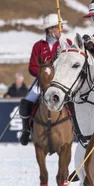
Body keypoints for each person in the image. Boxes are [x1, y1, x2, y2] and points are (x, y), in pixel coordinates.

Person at [18, 13, 66, 145]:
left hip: (61, 82)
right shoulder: (38, 46)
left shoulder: (65, 44)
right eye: (58, 27)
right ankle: (26, 130)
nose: (60, 30)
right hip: (43, 82)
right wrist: (42, 73)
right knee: (26, 103)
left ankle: (77, 130)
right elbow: (32, 66)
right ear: (50, 29)